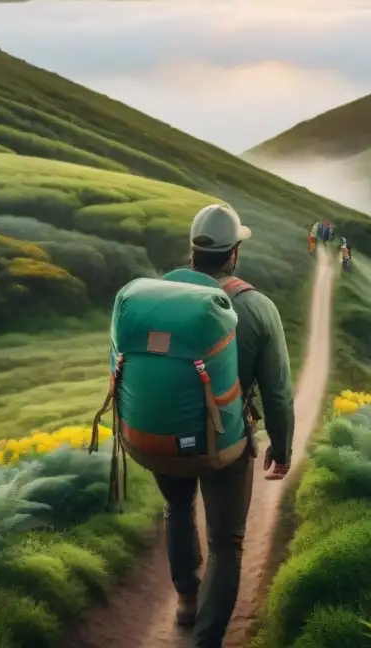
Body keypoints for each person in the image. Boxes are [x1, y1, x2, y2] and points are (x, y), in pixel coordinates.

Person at [158, 203, 295, 647]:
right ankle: (206, 640)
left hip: (165, 434)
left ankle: (185, 600)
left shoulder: (158, 295)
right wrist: (282, 443)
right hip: (226, 443)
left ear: (192, 250)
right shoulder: (257, 307)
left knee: (177, 509)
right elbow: (276, 392)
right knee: (226, 542)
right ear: (234, 253)